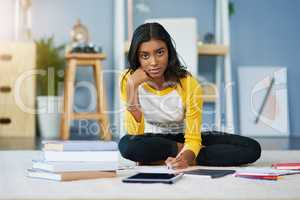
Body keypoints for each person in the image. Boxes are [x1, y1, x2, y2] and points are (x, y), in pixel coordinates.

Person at [118, 22, 261, 169]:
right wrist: (131, 88)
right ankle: (187, 153)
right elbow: (135, 134)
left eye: (160, 52)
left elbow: (192, 138)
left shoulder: (188, 83)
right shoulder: (129, 80)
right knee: (127, 145)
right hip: (153, 140)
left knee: (252, 148)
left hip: (185, 135)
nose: (153, 62)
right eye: (145, 56)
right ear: (137, 57)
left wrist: (186, 157)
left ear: (169, 52)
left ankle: (166, 158)